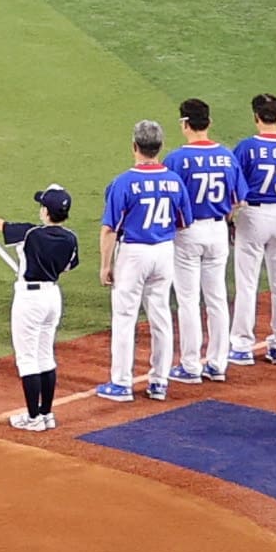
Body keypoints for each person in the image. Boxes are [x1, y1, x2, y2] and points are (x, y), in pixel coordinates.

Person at [0, 184, 82, 426]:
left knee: (27, 359)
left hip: (30, 300)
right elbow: (68, 267)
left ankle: (33, 418)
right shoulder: (71, 238)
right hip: (52, 296)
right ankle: (46, 414)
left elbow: (0, 225)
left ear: (46, 211)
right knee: (45, 356)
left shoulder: (30, 233)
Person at [95, 124, 184, 401]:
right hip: (164, 251)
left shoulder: (124, 182)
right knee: (161, 315)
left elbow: (109, 229)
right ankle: (159, 382)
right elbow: (183, 222)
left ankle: (121, 383)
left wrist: (105, 265)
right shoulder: (174, 180)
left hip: (134, 253)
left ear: (135, 146)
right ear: (160, 147)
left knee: (125, 317)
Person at [164, 103, 238, 380]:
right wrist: (226, 220)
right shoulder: (227, 156)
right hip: (218, 230)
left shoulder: (176, 159)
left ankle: (191, 365)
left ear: (185, 124)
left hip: (188, 232)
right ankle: (218, 364)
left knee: (188, 300)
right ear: (209, 122)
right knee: (217, 298)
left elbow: (169, 201)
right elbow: (237, 199)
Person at [226, 95, 276, 367]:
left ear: (256, 117)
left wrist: (230, 219)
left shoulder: (246, 148)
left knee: (247, 283)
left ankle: (242, 346)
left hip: (254, 216)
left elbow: (235, 190)